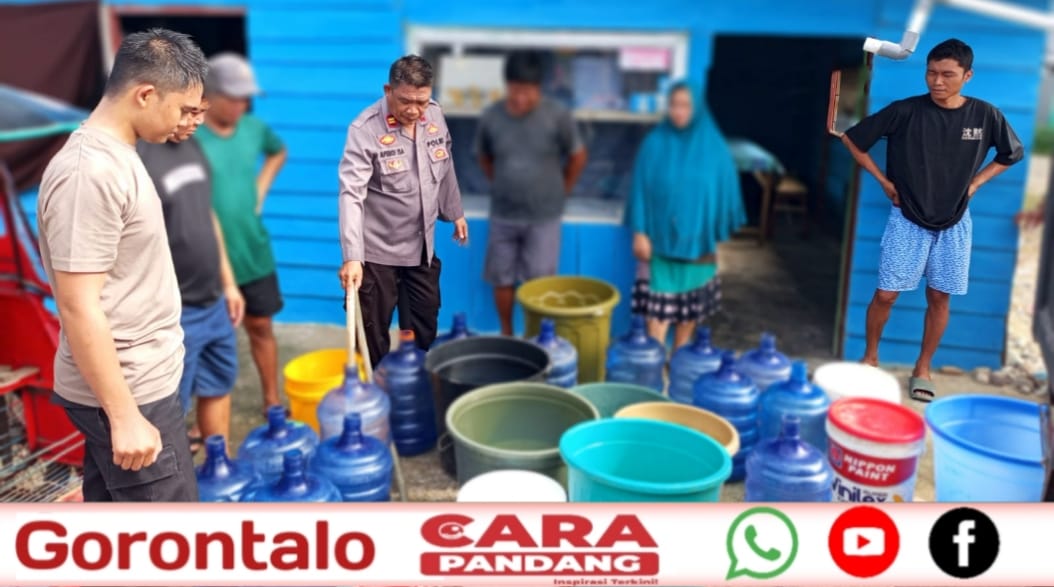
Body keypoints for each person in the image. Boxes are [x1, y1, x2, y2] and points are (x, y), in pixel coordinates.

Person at [36, 28, 207, 501]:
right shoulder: (88, 173)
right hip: (131, 392)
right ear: (146, 95)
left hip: (139, 383)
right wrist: (124, 415)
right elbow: (78, 305)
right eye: (182, 109)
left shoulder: (119, 155)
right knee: (170, 540)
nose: (185, 123)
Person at [841, 38, 1023, 401]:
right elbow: (853, 139)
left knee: (940, 296)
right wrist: (884, 182)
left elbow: (1011, 153)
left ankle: (922, 368)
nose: (937, 81)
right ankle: (870, 359)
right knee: (886, 294)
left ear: (967, 76)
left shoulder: (985, 115)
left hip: (955, 222)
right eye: (931, 73)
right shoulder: (905, 111)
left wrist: (976, 183)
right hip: (907, 218)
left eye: (947, 74)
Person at [337, 55, 469, 367]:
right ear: (388, 90)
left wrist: (455, 212)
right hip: (377, 255)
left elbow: (445, 166)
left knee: (424, 327)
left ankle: (414, 385)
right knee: (370, 337)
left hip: (422, 249)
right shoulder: (364, 129)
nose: (414, 110)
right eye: (406, 101)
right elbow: (351, 193)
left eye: (421, 101)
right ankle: (376, 390)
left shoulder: (434, 115)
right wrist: (352, 257)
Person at [137, 98, 245, 453]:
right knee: (169, 410)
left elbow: (206, 213)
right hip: (172, 312)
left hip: (214, 301)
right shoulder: (137, 157)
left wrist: (228, 283)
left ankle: (219, 467)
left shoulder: (191, 144)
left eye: (202, 111)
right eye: (190, 112)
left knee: (218, 386)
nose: (198, 121)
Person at [195, 52, 288, 416]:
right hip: (208, 259)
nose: (241, 106)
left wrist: (260, 189)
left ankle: (272, 401)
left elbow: (277, 152)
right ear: (210, 93)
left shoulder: (253, 128)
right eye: (234, 98)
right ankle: (206, 421)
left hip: (252, 248)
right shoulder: (189, 137)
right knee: (208, 339)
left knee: (261, 325)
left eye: (246, 98)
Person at [625, 80, 746, 350]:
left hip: (698, 245)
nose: (678, 112)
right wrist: (640, 232)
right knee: (657, 316)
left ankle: (678, 360)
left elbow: (725, 189)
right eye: (674, 105)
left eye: (685, 106)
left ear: (698, 108)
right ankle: (656, 366)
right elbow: (639, 189)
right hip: (658, 244)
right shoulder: (654, 143)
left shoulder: (714, 147)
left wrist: (716, 226)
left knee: (688, 315)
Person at [475, 50, 589, 335]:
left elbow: (577, 156)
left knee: (538, 282)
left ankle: (536, 337)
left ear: (539, 88)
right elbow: (484, 156)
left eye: (527, 91)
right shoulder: (492, 117)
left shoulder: (557, 116)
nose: (520, 97)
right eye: (515, 89)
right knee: (501, 278)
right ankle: (507, 333)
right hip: (503, 213)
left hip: (544, 216)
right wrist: (502, 183)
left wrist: (562, 190)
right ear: (507, 86)